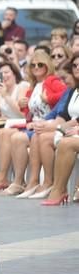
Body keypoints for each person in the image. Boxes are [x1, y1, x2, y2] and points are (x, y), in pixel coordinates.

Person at [8, 50, 66, 198]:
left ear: (47, 65)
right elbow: (30, 113)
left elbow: (65, 94)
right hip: (35, 125)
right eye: (33, 65)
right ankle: (21, 181)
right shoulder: (33, 86)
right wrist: (23, 105)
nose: (36, 67)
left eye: (40, 64)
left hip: (48, 125)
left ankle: (28, 181)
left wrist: (49, 98)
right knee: (11, 136)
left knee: (18, 138)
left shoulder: (52, 81)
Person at [0, 62, 30, 193]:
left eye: (7, 72)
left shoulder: (22, 86)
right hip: (8, 125)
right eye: (0, 74)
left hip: (22, 124)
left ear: (14, 73)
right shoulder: (1, 91)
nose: (4, 76)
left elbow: (21, 112)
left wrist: (6, 95)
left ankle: (2, 177)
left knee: (3, 133)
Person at [42, 54, 79, 205]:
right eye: (75, 65)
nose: (77, 68)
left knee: (66, 143)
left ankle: (59, 189)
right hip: (74, 128)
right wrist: (59, 127)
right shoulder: (74, 90)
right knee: (46, 136)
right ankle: (49, 184)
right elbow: (67, 116)